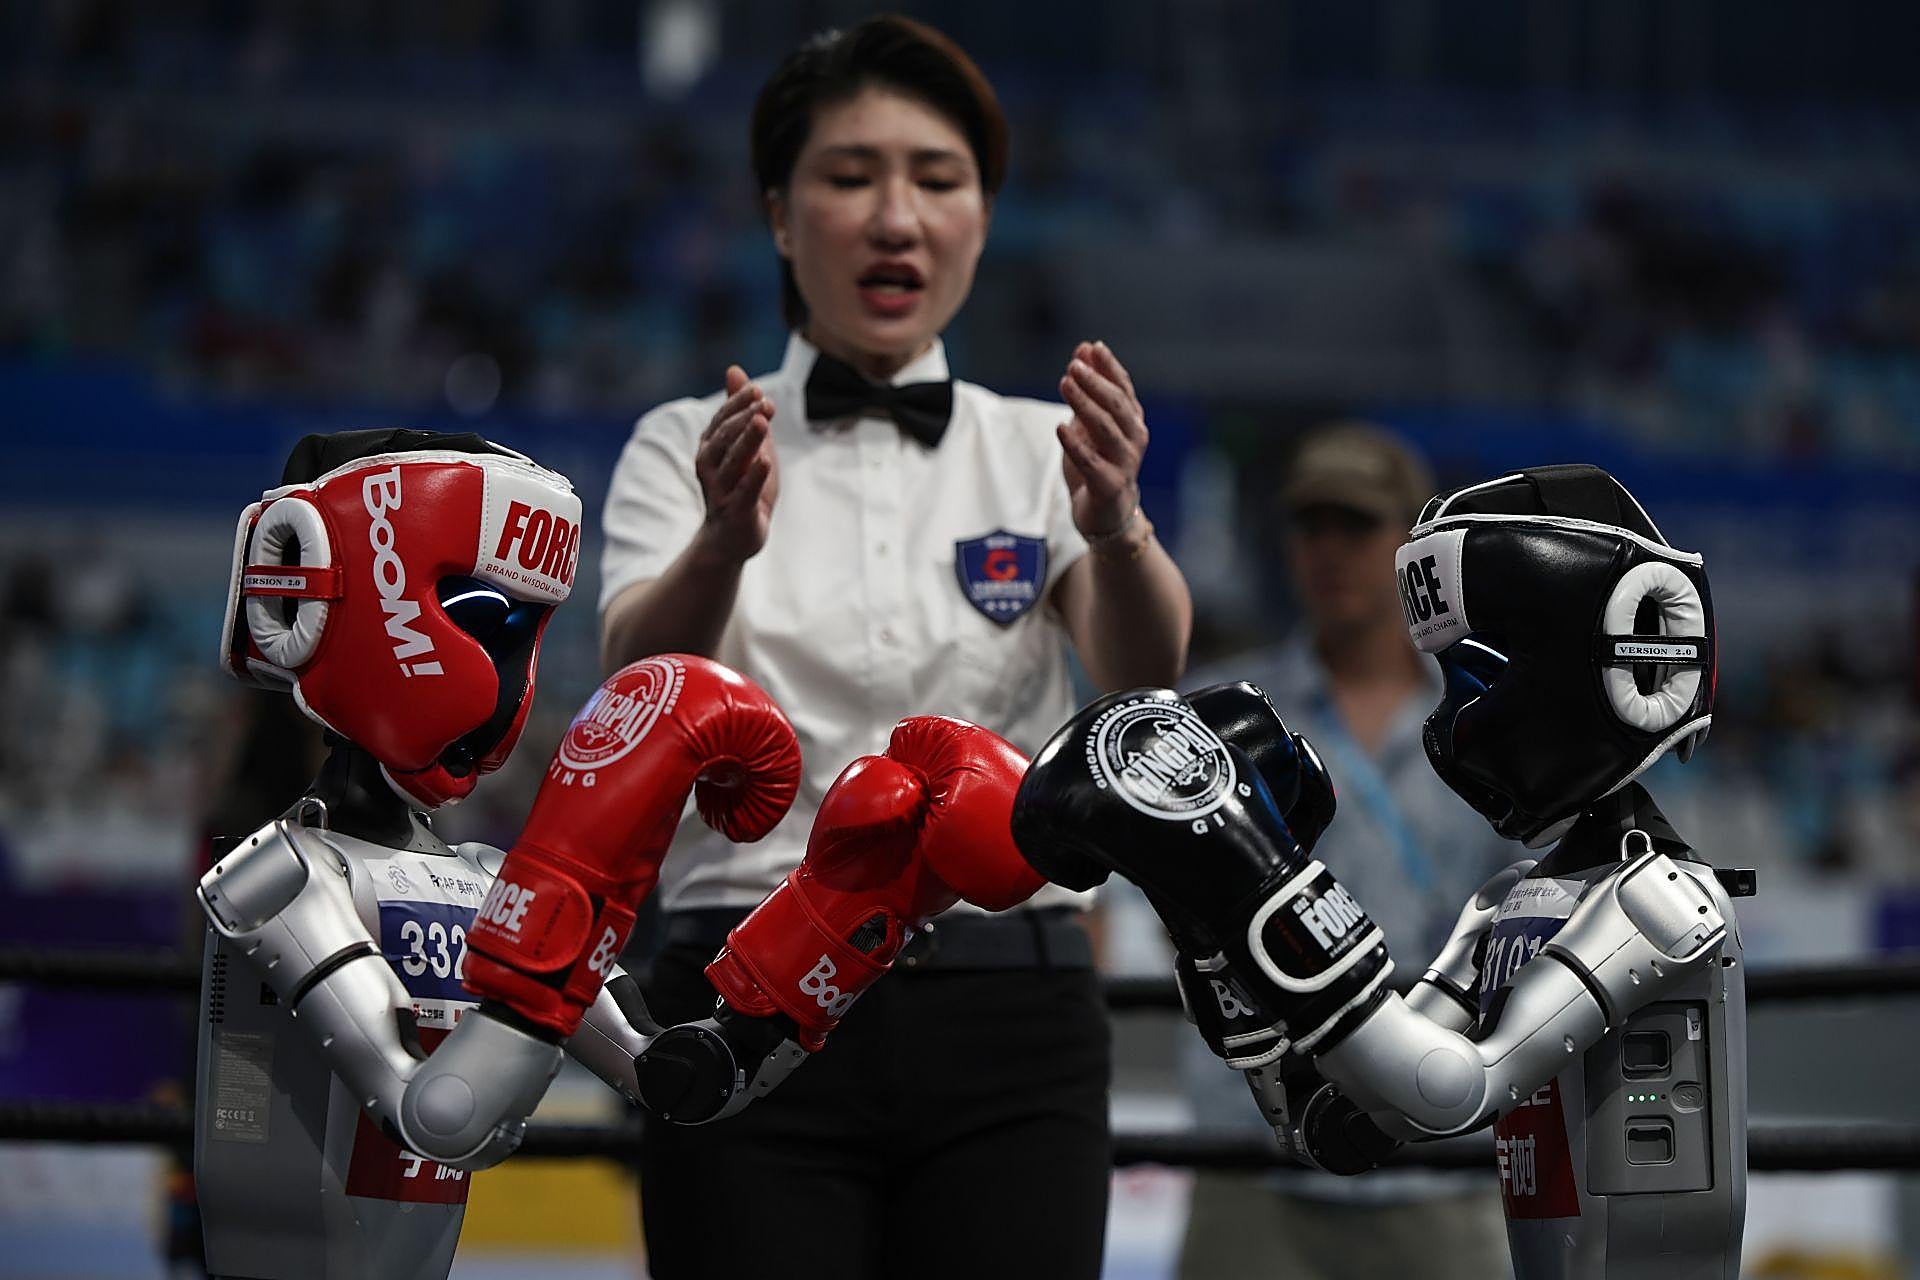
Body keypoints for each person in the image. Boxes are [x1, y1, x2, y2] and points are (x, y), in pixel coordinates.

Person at [598, 16, 1192, 1279]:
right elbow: (633, 687)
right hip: (736, 984)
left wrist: (1120, 523)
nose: (896, 216)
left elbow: (1143, 677)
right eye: (850, 174)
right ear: (777, 212)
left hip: (1009, 1002)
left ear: (983, 214)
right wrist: (719, 540)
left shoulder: (1046, 448)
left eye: (937, 177)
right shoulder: (683, 440)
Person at [1176, 422, 1513, 1280]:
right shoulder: (1216, 714)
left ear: (1416, 548)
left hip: (1440, 1152)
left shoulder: (1498, 725)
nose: (1327, 550)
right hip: (1254, 1157)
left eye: (1356, 525)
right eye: (1309, 525)